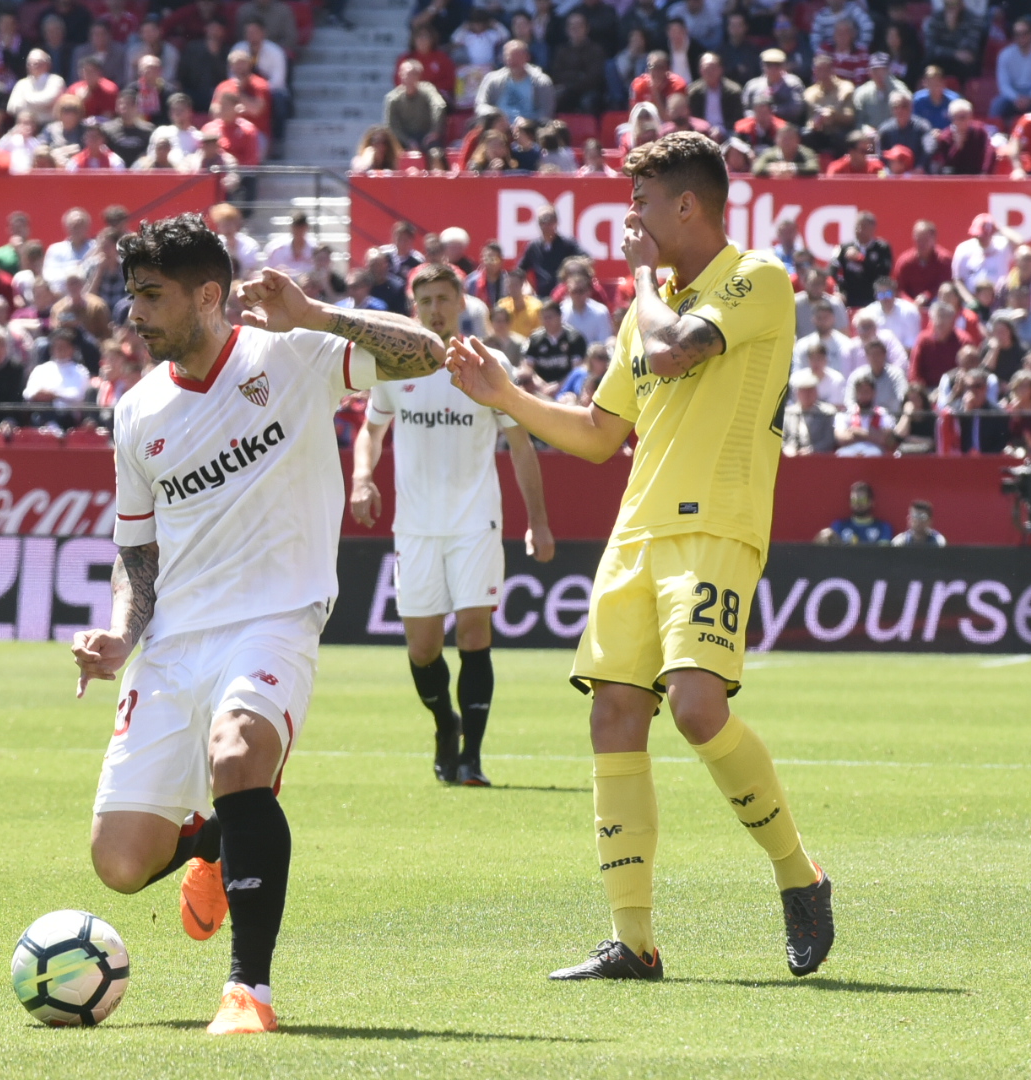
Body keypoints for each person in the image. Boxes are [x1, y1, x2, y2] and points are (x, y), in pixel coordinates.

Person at [445, 131, 832, 982]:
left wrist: (638, 285)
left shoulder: (756, 278)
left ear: (686, 205)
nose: (630, 217)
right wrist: (505, 394)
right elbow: (595, 434)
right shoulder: (645, 309)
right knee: (613, 716)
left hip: (715, 529)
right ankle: (634, 940)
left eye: (642, 202)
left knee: (696, 708)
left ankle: (800, 876)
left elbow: (677, 349)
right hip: (636, 535)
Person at [70, 214, 445, 1034]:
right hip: (173, 643)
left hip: (274, 618)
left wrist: (317, 313)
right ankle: (212, 840)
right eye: (131, 294)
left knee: (238, 752)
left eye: (151, 295)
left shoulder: (293, 353)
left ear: (210, 295)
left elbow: (427, 352)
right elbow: (138, 555)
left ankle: (250, 992)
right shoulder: (136, 412)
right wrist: (119, 636)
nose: (135, 313)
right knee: (120, 863)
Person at [349, 263, 553, 785]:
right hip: (415, 526)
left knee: (473, 631)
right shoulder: (397, 366)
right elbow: (370, 431)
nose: (434, 309)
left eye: (443, 298)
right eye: (425, 301)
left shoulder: (489, 362)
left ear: (461, 303)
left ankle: (472, 759)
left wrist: (538, 522)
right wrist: (363, 477)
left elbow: (523, 445)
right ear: (414, 308)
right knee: (422, 649)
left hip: (475, 522)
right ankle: (446, 725)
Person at [817, 480, 893, 543]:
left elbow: (883, 554)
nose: (858, 504)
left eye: (862, 500)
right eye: (854, 500)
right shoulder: (839, 526)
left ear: (871, 502)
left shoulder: (883, 527)